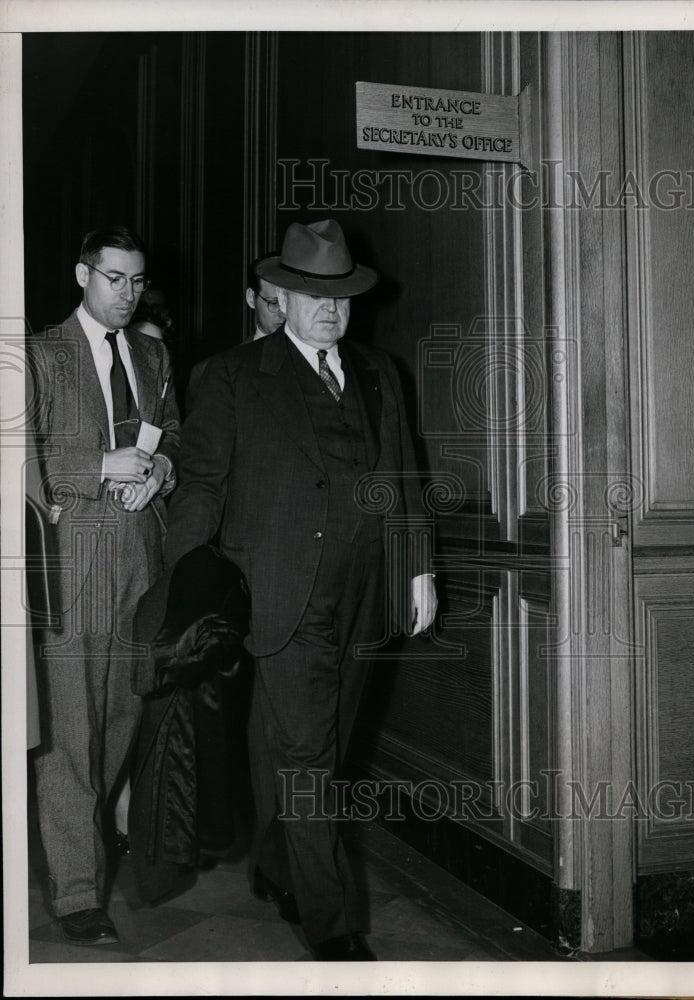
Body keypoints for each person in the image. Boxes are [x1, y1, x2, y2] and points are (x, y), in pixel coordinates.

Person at [164, 219, 437, 961]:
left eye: (341, 297)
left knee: (321, 743)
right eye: (315, 296)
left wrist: (418, 568)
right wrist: (187, 579)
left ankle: (277, 863)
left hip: (366, 592)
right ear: (281, 297)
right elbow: (202, 485)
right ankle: (331, 922)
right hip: (279, 589)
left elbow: (404, 476)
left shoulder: (379, 371)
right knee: (309, 750)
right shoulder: (232, 375)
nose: (330, 310)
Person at [26, 225, 180, 946]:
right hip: (71, 560)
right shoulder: (39, 354)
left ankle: (83, 847)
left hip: (140, 560)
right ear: (82, 274)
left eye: (137, 281)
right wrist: (100, 467)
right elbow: (21, 458)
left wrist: (161, 472)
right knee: (69, 733)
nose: (128, 294)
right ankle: (78, 891)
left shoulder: (152, 355)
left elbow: (173, 433)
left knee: (122, 718)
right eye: (114, 278)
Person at [185, 253, 284, 413]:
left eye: (290, 303)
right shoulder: (209, 372)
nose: (284, 313)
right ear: (251, 298)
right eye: (274, 303)